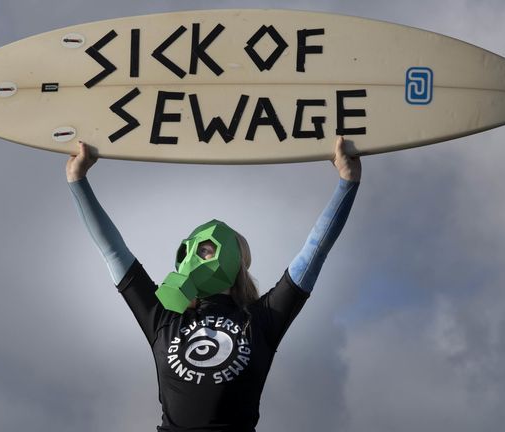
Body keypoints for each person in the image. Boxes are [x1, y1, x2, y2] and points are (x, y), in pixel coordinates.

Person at [66, 137, 361, 432]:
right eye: (188, 250)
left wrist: (347, 183)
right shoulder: (163, 319)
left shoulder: (261, 320)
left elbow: (313, 252)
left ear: (233, 260)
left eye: (205, 248)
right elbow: (113, 251)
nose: (193, 257)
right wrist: (78, 180)